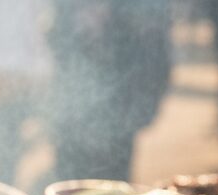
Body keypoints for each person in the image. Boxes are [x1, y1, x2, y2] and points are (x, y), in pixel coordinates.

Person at [46, 0, 172, 182]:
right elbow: (53, 34)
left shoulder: (137, 12)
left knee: (112, 186)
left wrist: (143, 107)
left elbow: (154, 47)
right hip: (70, 112)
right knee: (69, 183)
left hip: (121, 106)